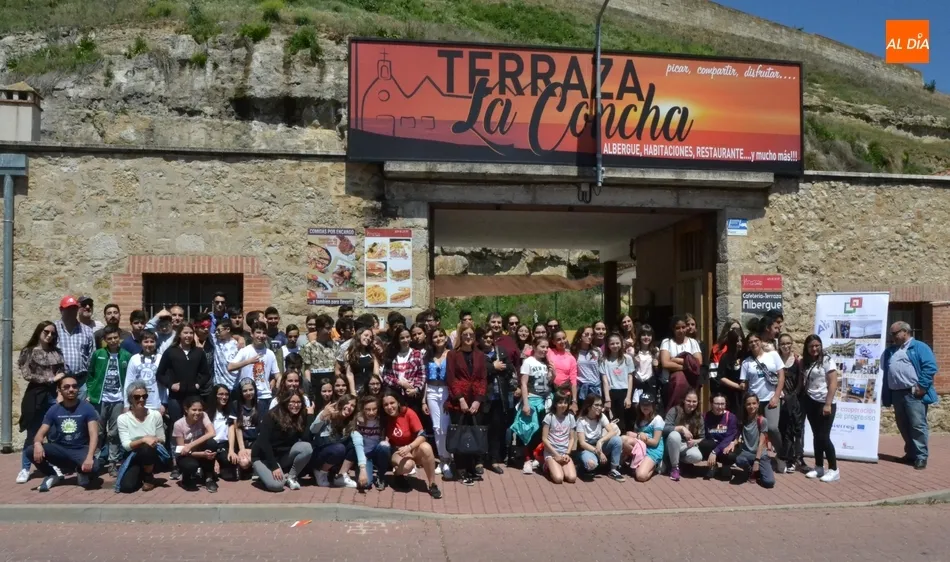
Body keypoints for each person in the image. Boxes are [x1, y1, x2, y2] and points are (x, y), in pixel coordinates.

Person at [25, 376, 99, 492]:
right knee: (30, 450)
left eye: (74, 386)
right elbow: (40, 434)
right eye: (66, 387)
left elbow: (94, 434)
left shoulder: (87, 408)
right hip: (60, 449)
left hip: (80, 449)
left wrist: (89, 457)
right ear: (59, 390)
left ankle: (80, 471)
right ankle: (52, 474)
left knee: (95, 467)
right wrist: (38, 444)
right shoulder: (54, 409)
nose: (71, 389)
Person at [882, 321, 938, 470]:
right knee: (903, 425)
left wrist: (922, 386)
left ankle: (921, 456)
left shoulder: (919, 347)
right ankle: (911, 454)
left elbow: (930, 367)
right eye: (891, 334)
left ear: (905, 332)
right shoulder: (891, 350)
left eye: (894, 333)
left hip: (914, 393)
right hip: (897, 393)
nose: (892, 337)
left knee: (917, 425)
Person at [16, 321, 66, 484]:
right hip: (35, 395)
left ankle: (54, 465)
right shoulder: (29, 351)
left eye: (53, 333)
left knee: (54, 433)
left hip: (53, 395)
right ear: (39, 331)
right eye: (46, 332)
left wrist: (59, 391)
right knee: (32, 433)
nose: (50, 335)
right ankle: (25, 468)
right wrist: (51, 379)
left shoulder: (56, 352)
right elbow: (27, 375)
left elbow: (62, 373)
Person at [87, 325, 132, 477]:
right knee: (98, 432)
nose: (113, 341)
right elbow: (91, 374)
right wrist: (90, 392)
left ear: (119, 339)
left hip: (118, 400)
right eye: (109, 338)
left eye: (115, 338)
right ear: (105, 340)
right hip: (100, 399)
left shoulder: (126, 355)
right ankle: (96, 459)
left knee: (114, 432)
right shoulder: (98, 354)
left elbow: (130, 378)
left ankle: (113, 462)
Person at [446, 325, 488, 484]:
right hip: (459, 402)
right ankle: (461, 467)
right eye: (465, 334)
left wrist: (478, 399)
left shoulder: (480, 355)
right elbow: (451, 379)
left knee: (474, 433)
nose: (468, 337)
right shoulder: (452, 354)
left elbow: (483, 378)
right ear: (460, 336)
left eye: (471, 334)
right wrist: (460, 399)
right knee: (460, 434)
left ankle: (473, 466)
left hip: (476, 401)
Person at [381, 391, 442, 498]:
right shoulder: (384, 418)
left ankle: (432, 484)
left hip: (412, 448)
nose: (389, 407)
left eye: (392, 403)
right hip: (397, 451)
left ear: (398, 402)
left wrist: (409, 447)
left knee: (426, 447)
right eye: (386, 405)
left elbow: (422, 435)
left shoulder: (408, 413)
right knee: (408, 466)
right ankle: (397, 475)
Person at [739, 332, 786, 472]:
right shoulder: (746, 362)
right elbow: (744, 383)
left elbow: (781, 376)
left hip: (771, 398)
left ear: (760, 341)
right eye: (751, 342)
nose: (754, 343)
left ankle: (780, 456)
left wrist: (776, 396)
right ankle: (757, 457)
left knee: (772, 428)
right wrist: (741, 386)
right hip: (755, 402)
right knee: (755, 431)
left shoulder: (772, 355)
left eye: (756, 340)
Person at [252, 391, 314, 491]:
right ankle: (262, 473)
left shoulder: (299, 416)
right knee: (277, 486)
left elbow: (306, 438)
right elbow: (264, 442)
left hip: (283, 456)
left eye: (299, 402)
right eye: (292, 402)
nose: (296, 405)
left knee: (306, 447)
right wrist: (274, 466)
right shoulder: (272, 415)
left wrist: (310, 415)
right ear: (285, 402)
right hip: (263, 457)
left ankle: (291, 477)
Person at [801, 335, 840, 482]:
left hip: (825, 403)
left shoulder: (827, 360)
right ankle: (818, 467)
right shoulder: (806, 361)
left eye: (817, 345)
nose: (814, 348)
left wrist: (828, 404)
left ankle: (834, 469)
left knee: (824, 437)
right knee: (817, 436)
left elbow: (833, 383)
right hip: (811, 401)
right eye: (811, 346)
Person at [511, 336, 553, 475]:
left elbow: (550, 383)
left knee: (543, 432)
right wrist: (526, 403)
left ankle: (538, 458)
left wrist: (553, 373)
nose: (545, 350)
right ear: (534, 347)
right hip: (532, 400)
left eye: (547, 347)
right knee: (529, 430)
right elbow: (523, 383)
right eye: (542, 347)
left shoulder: (547, 363)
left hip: (545, 401)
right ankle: (527, 460)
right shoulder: (528, 362)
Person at [116, 380, 167, 493]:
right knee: (127, 487)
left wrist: (152, 439)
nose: (141, 399)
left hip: (153, 454)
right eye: (137, 397)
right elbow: (126, 446)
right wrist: (144, 439)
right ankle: (141, 474)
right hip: (133, 455)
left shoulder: (155, 415)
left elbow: (162, 439)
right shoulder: (123, 419)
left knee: (146, 448)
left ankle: (149, 477)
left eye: (144, 396)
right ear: (130, 399)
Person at [480, 327, 516, 475]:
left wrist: (498, 368)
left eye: (490, 337)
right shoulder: (477, 353)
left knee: (496, 430)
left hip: (499, 397)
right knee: (482, 429)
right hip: (483, 398)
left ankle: (494, 460)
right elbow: (477, 371)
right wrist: (492, 367)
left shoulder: (500, 351)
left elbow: (509, 368)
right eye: (485, 337)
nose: (488, 339)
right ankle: (480, 460)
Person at [721, 393, 775, 488]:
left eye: (754, 403)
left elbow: (762, 443)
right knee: (739, 459)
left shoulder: (762, 421)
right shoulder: (742, 420)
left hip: (760, 454)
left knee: (769, 482)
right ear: (745, 406)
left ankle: (758, 470)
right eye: (748, 404)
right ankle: (751, 471)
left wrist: (757, 461)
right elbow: (738, 437)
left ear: (758, 404)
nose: (751, 406)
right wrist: (732, 443)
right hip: (747, 453)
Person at [422, 328, 452, 478]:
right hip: (432, 391)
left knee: (445, 427)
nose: (438, 338)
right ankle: (442, 459)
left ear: (446, 338)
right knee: (436, 427)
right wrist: (423, 400)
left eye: (441, 335)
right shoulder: (428, 356)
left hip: (446, 391)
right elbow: (425, 380)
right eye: (435, 336)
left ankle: (448, 459)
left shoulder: (452, 355)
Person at [309, 393, 357, 488]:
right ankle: (320, 472)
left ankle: (340, 476)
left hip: (335, 457)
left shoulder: (350, 422)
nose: (349, 407)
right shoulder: (327, 413)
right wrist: (322, 416)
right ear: (341, 403)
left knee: (354, 444)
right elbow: (312, 430)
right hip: (319, 455)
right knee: (339, 448)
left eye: (353, 406)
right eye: (347, 403)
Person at [172, 395, 218, 492]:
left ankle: (208, 478)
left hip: (197, 449)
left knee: (212, 443)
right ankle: (185, 479)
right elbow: (182, 450)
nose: (197, 413)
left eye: (200, 410)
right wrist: (202, 454)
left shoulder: (203, 415)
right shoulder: (178, 424)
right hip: (186, 455)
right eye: (194, 410)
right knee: (190, 465)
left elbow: (212, 433)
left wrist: (190, 445)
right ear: (186, 409)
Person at [574, 394, 625, 482]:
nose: (599, 408)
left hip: (599, 445)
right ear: (589, 407)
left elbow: (612, 431)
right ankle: (582, 465)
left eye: (601, 405)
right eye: (596, 405)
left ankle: (613, 470)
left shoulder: (601, 416)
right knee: (591, 465)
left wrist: (600, 441)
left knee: (617, 440)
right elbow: (582, 443)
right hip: (587, 448)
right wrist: (598, 452)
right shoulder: (581, 420)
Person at [228, 322, 280, 404]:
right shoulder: (245, 351)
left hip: (265, 396)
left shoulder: (270, 353)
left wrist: (278, 382)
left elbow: (277, 374)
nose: (261, 336)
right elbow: (230, 367)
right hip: (247, 396)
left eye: (264, 333)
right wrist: (248, 361)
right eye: (258, 332)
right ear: (252, 334)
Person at [348, 395, 392, 491]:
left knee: (385, 446)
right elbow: (357, 444)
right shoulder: (357, 420)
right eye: (367, 409)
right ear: (362, 409)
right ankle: (363, 470)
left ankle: (381, 476)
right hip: (364, 455)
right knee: (365, 484)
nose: (371, 412)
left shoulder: (382, 419)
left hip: (377, 451)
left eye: (374, 409)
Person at [55, 296, 95, 401]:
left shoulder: (87, 331)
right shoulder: (54, 329)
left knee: (80, 414)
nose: (71, 312)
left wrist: (90, 388)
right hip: (60, 383)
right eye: (68, 309)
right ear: (61, 310)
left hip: (80, 383)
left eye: (74, 309)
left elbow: (92, 359)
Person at [659, 316, 702, 411]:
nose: (681, 330)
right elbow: (665, 363)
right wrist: (687, 366)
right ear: (673, 329)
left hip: (690, 385)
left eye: (683, 327)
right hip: (670, 384)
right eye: (677, 328)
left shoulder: (693, 342)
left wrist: (675, 360)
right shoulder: (667, 342)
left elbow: (698, 362)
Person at [777, 333, 805, 473]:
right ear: (779, 345)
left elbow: (800, 381)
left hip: (794, 399)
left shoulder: (797, 360)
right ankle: (785, 457)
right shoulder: (776, 359)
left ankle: (794, 458)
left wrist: (793, 396)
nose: (786, 346)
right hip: (781, 399)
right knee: (783, 430)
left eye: (788, 343)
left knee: (794, 429)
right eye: (783, 344)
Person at [663, 389, 705, 481]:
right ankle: (674, 467)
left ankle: (677, 463)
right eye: (688, 401)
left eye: (694, 401)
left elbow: (703, 437)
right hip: (671, 444)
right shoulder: (674, 411)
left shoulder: (699, 416)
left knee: (697, 457)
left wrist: (694, 441)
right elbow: (664, 429)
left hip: (686, 445)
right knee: (675, 435)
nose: (691, 404)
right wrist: (681, 428)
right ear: (683, 401)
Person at [123, 330, 166, 414]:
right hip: (138, 404)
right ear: (140, 343)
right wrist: (126, 404)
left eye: (152, 341)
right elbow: (129, 382)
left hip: (156, 404)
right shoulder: (134, 359)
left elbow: (165, 385)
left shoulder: (161, 359)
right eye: (146, 342)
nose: (149, 344)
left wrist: (164, 403)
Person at [227, 378, 261, 480]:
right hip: (243, 441)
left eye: (251, 389)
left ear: (255, 390)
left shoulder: (261, 405)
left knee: (252, 457)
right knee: (244, 462)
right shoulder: (236, 405)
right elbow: (237, 428)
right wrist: (242, 448)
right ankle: (247, 468)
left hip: (256, 441)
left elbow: (262, 430)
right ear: (241, 392)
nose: (248, 393)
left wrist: (253, 450)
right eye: (245, 390)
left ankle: (255, 468)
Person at [600, 333, 634, 432]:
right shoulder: (604, 360)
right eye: (612, 344)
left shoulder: (627, 358)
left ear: (622, 344)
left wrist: (628, 397)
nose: (615, 346)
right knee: (613, 421)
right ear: (608, 345)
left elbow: (630, 378)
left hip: (624, 391)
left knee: (625, 421)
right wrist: (607, 399)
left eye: (617, 343)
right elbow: (605, 380)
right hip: (611, 392)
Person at [541, 393, 577, 484]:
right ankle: (546, 466)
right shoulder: (549, 417)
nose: (563, 405)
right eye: (560, 403)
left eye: (565, 403)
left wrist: (567, 453)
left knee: (571, 478)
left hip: (564, 452)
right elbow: (544, 439)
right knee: (558, 478)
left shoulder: (571, 417)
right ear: (555, 404)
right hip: (552, 452)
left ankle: (560, 466)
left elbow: (572, 438)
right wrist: (556, 454)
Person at [702, 394, 739, 480]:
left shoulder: (731, 417)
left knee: (731, 455)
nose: (720, 406)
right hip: (711, 445)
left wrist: (715, 452)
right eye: (717, 404)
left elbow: (729, 437)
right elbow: (704, 435)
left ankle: (726, 465)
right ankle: (713, 466)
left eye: (722, 404)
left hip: (725, 446)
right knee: (704, 444)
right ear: (711, 404)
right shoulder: (705, 416)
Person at [629, 393, 665, 482]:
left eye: (648, 404)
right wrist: (638, 435)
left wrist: (639, 436)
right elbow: (634, 435)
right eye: (643, 404)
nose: (645, 407)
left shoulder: (658, 419)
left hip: (653, 449)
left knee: (641, 476)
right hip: (641, 447)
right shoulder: (639, 419)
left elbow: (655, 442)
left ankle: (655, 466)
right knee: (624, 439)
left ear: (653, 405)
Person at [207, 384, 237, 481]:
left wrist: (231, 450)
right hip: (210, 444)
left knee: (230, 475)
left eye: (226, 394)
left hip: (223, 445)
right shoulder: (207, 412)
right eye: (221, 394)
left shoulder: (230, 412)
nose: (224, 397)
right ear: (215, 395)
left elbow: (231, 431)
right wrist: (214, 460)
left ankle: (223, 466)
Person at [548, 329, 578, 412]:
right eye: (558, 339)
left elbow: (573, 380)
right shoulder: (549, 352)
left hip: (565, 396)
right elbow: (534, 351)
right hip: (551, 393)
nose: (562, 341)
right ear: (553, 342)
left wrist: (574, 401)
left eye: (564, 338)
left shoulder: (571, 358)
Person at [571, 326, 601, 402]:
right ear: (580, 336)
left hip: (595, 387)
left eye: (591, 335)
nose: (590, 337)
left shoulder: (597, 351)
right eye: (586, 334)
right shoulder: (574, 351)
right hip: (581, 387)